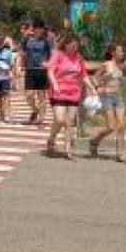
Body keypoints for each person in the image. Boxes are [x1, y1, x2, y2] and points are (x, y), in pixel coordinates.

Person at [46, 32, 97, 160]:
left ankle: (67, 150)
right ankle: (51, 138)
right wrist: (55, 84)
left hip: (74, 93)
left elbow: (83, 75)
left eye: (77, 46)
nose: (75, 48)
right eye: (73, 46)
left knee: (69, 122)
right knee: (59, 119)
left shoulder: (79, 58)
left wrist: (91, 87)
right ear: (66, 44)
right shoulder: (58, 55)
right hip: (59, 92)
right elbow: (50, 70)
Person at [89, 44, 126, 164]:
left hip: (118, 96)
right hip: (106, 96)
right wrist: (99, 85)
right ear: (113, 53)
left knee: (121, 125)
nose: (122, 53)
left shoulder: (123, 65)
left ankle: (120, 154)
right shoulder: (106, 65)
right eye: (120, 51)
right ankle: (94, 141)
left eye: (122, 51)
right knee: (111, 127)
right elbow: (94, 78)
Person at [21, 20, 53, 126]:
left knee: (41, 96)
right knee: (28, 95)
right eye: (37, 28)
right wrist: (21, 65)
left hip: (42, 70)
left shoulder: (47, 41)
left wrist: (49, 65)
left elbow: (52, 55)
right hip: (30, 69)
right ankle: (35, 110)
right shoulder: (27, 40)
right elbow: (23, 53)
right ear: (33, 29)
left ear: (43, 29)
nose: (39, 30)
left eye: (41, 28)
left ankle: (41, 120)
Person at [0, 35, 16, 123]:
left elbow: (12, 65)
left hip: (5, 77)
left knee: (6, 95)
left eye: (0, 43)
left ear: (2, 44)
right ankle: (1, 111)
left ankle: (6, 114)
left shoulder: (8, 52)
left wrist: (12, 76)